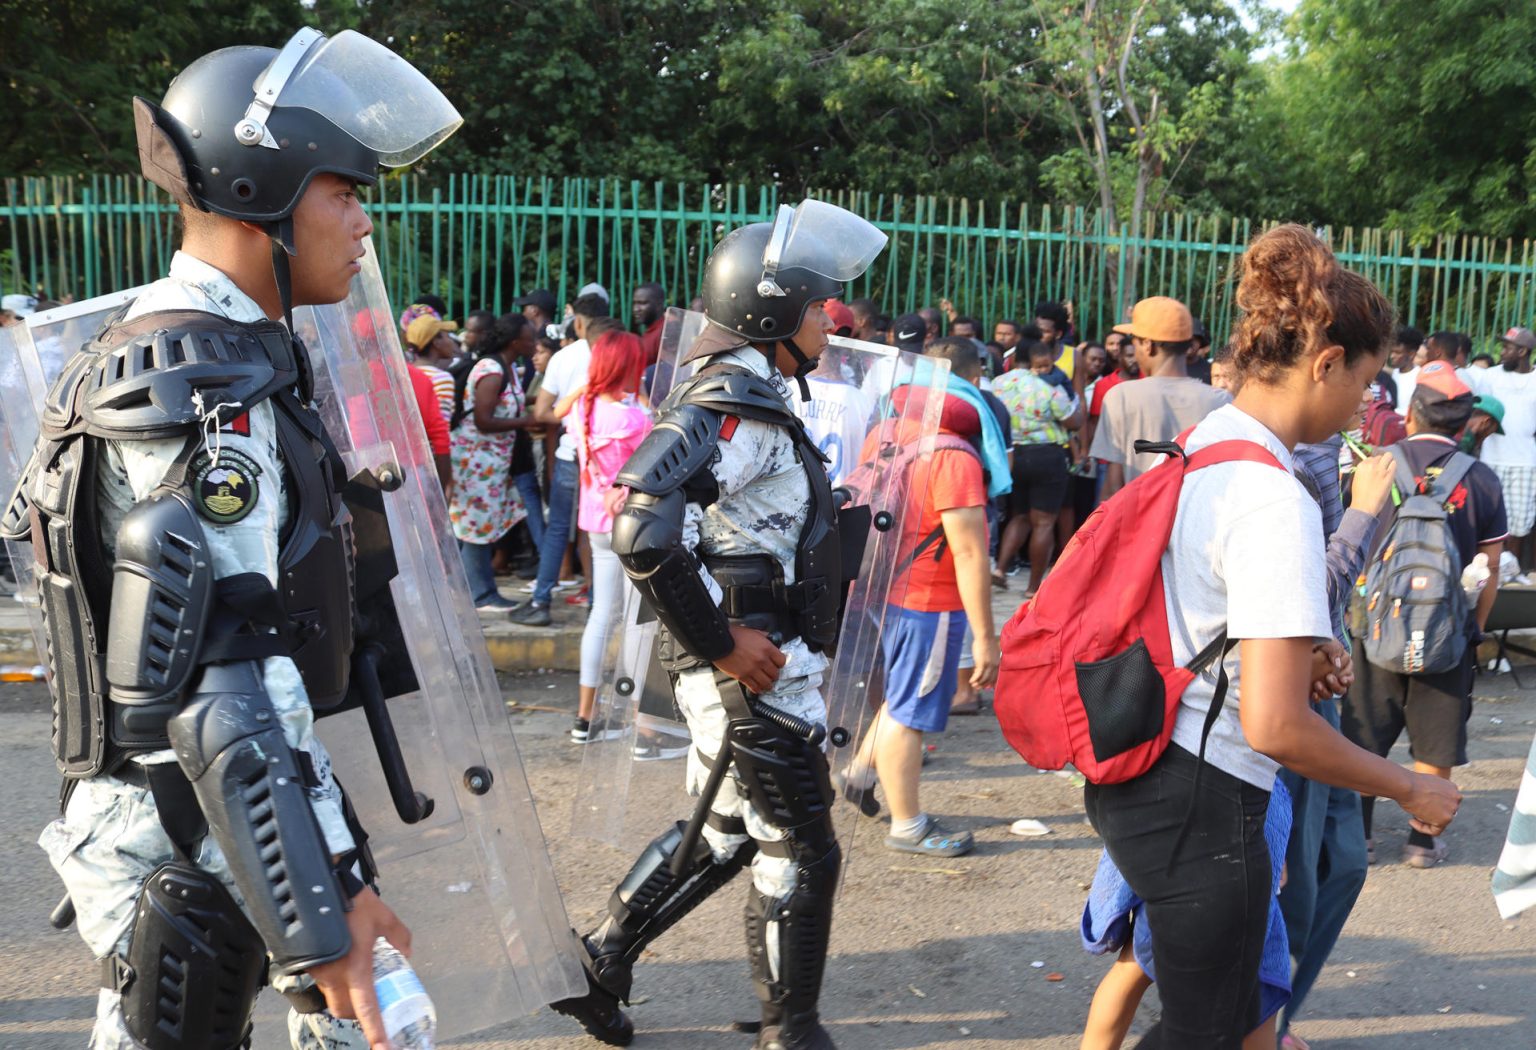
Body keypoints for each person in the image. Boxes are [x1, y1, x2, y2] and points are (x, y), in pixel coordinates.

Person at [8, 26, 462, 1050]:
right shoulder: (200, 389)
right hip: (189, 815)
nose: (365, 223)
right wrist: (323, 908)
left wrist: (332, 866)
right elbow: (213, 680)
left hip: (239, 795)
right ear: (265, 191)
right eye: (345, 193)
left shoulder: (210, 357)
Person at [1082, 224, 1460, 1048]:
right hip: (1206, 796)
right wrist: (1408, 789)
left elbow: (1205, 608)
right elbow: (1277, 728)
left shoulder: (1209, 443)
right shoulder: (1274, 496)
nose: (1365, 406)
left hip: (1154, 767)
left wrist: (1300, 646)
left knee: (1239, 1024)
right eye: (1363, 382)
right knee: (1211, 1032)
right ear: (1325, 363)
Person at [551, 199, 888, 1050]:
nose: (830, 318)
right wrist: (723, 644)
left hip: (758, 669)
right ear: (772, 313)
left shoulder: (756, 395)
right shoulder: (727, 404)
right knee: (804, 854)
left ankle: (598, 962)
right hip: (751, 676)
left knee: (729, 832)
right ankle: (793, 1031)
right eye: (818, 307)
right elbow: (641, 527)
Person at [839, 337, 999, 857]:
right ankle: (908, 825)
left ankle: (861, 772)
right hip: (931, 602)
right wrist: (985, 638)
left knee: (900, 693)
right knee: (910, 712)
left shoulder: (886, 433)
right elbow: (970, 553)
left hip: (884, 589)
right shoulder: (954, 456)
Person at [1343, 361, 1506, 870]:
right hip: (1447, 632)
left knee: (1362, 732)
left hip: (1374, 627)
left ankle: (1360, 837)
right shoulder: (1481, 479)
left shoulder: (1374, 466)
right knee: (1435, 737)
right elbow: (1491, 567)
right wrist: (1473, 628)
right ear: (1463, 424)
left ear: (1410, 414)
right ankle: (1422, 840)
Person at [554, 330, 653, 743]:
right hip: (634, 525)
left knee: (600, 615)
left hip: (595, 523)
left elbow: (559, 407)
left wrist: (590, 382)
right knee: (634, 621)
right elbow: (658, 447)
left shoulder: (583, 409)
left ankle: (584, 716)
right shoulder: (635, 418)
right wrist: (642, 392)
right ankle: (640, 720)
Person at [516, 292, 611, 625]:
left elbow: (542, 412)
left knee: (558, 528)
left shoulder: (564, 356)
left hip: (572, 454)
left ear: (579, 322)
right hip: (607, 460)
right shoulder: (619, 353)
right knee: (598, 533)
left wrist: (575, 417)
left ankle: (541, 601)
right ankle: (597, 604)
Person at [1091, 296, 1229, 499]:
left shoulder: (1121, 396)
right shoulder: (1221, 401)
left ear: (1148, 345)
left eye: (1135, 342)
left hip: (1141, 519)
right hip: (1201, 523)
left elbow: (1114, 483)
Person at [449, 313, 541, 612]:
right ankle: (481, 595)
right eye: (531, 338)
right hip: (476, 460)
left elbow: (507, 403)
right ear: (516, 341)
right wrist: (526, 421)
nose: (535, 343)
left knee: (478, 525)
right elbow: (483, 420)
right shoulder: (491, 369)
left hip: (491, 462)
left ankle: (471, 591)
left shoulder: (509, 368)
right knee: (476, 527)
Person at [994, 341, 1082, 595]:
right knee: (1043, 523)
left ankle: (1000, 569)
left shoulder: (1000, 383)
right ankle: (1033, 588)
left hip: (1013, 455)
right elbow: (1073, 421)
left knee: (1019, 516)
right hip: (1047, 457)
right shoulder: (1048, 386)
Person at [1461, 326, 1536, 570]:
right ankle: (1484, 572)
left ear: (1523, 351)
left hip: (1525, 462)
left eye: (1508, 347)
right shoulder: (1489, 376)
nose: (1502, 352)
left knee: (1519, 525)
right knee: (1486, 519)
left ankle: (1510, 572)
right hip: (1490, 460)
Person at [404, 311, 458, 420]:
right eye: (447, 336)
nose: (452, 342)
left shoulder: (405, 373)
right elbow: (442, 423)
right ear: (436, 342)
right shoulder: (442, 379)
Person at [632, 281, 666, 365]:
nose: (636, 309)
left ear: (658, 305)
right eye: (635, 303)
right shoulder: (650, 332)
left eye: (642, 303)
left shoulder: (666, 332)